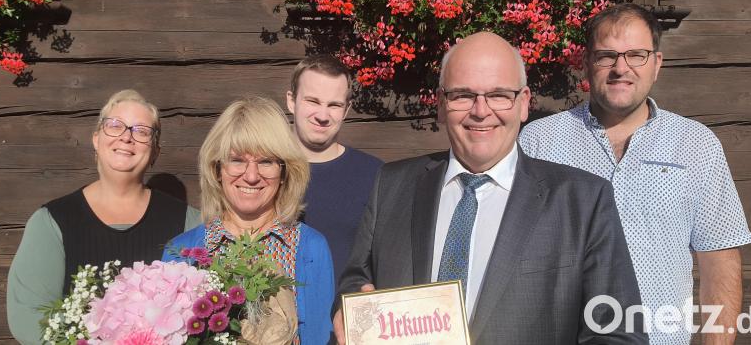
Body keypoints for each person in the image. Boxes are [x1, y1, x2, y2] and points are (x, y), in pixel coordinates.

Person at [335, 32, 646, 344]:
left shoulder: (583, 201)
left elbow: (617, 334)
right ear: (442, 105)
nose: (481, 111)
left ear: (523, 103)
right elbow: (356, 280)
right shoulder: (392, 185)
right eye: (463, 95)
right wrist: (349, 312)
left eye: (499, 95)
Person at [519, 3, 751, 345]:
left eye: (636, 55)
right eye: (606, 56)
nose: (621, 68)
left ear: (657, 64)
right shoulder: (539, 142)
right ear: (586, 64)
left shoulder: (695, 144)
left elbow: (719, 262)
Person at [7, 89, 201, 344]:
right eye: (115, 126)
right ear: (96, 139)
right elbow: (29, 320)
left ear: (155, 152)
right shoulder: (52, 222)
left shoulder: (189, 222)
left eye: (141, 131)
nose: (126, 138)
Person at [163, 97, 334, 344]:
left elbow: (319, 337)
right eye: (237, 160)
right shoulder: (181, 253)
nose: (251, 176)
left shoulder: (311, 248)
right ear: (217, 169)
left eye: (265, 161)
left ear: (284, 171)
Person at [285, 55, 382, 283]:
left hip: (346, 315)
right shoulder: (263, 171)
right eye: (313, 101)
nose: (322, 116)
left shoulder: (374, 175)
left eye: (334, 105)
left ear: (346, 109)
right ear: (291, 101)